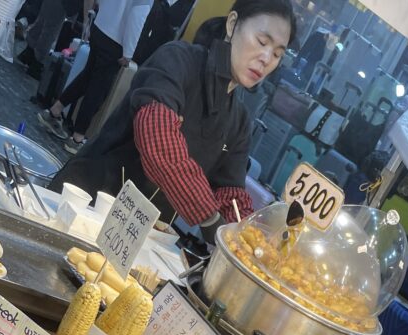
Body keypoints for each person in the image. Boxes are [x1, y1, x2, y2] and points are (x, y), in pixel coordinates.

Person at [48, 0, 296, 241]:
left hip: (134, 235)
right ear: (232, 25)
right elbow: (157, 138)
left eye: (277, 54)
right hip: (86, 200)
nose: (266, 58)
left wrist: (246, 239)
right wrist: (209, 219)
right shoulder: (179, 60)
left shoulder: (239, 121)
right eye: (262, 41)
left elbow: (231, 195)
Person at [38, 0, 153, 154]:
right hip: (116, 40)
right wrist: (128, 52)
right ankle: (77, 139)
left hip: (100, 26)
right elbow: (137, 18)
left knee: (87, 77)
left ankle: (54, 111)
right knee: (97, 91)